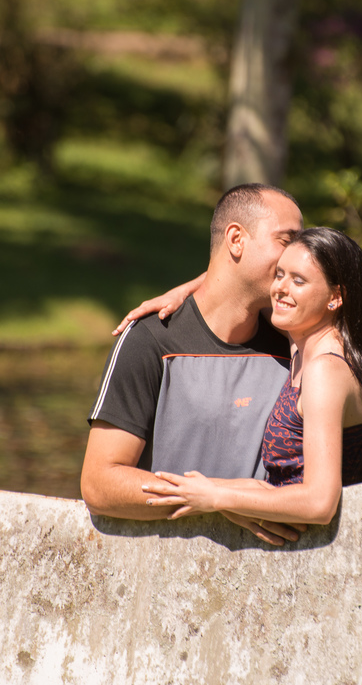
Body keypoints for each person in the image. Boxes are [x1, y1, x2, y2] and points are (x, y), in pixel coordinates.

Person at [80, 183, 305, 546]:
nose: (299, 256)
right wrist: (217, 501)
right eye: (286, 240)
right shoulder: (149, 340)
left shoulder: (296, 344)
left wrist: (223, 499)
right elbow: (100, 483)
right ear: (236, 239)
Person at [140, 227, 362, 528]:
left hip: (310, 554)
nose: (279, 289)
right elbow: (237, 280)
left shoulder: (325, 371)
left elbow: (319, 502)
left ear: (335, 297)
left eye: (298, 280)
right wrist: (185, 291)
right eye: (280, 274)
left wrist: (217, 498)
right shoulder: (303, 340)